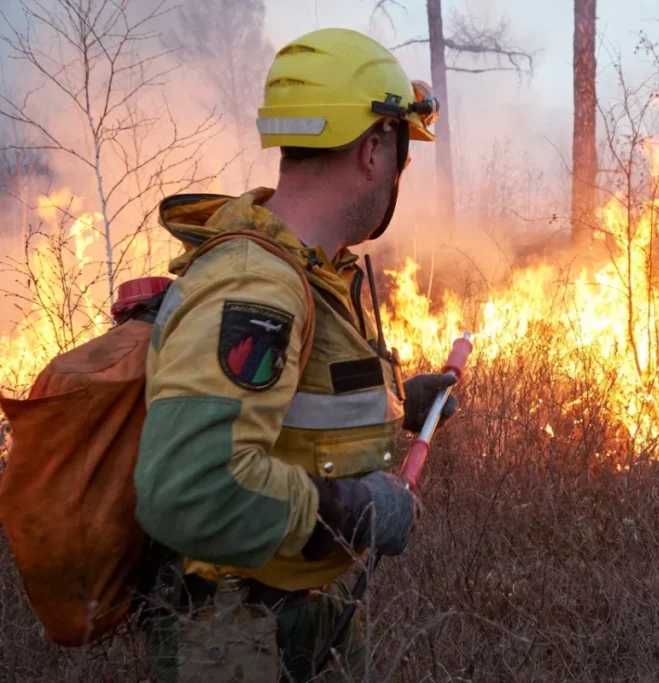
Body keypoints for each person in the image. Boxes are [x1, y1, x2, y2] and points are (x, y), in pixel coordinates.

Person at [134, 28, 455, 682]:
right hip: (236, 635)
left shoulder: (309, 271)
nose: (400, 171)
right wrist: (358, 509)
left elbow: (293, 418)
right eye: (401, 152)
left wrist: (403, 407)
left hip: (299, 615)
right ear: (372, 150)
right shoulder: (258, 287)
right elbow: (192, 486)